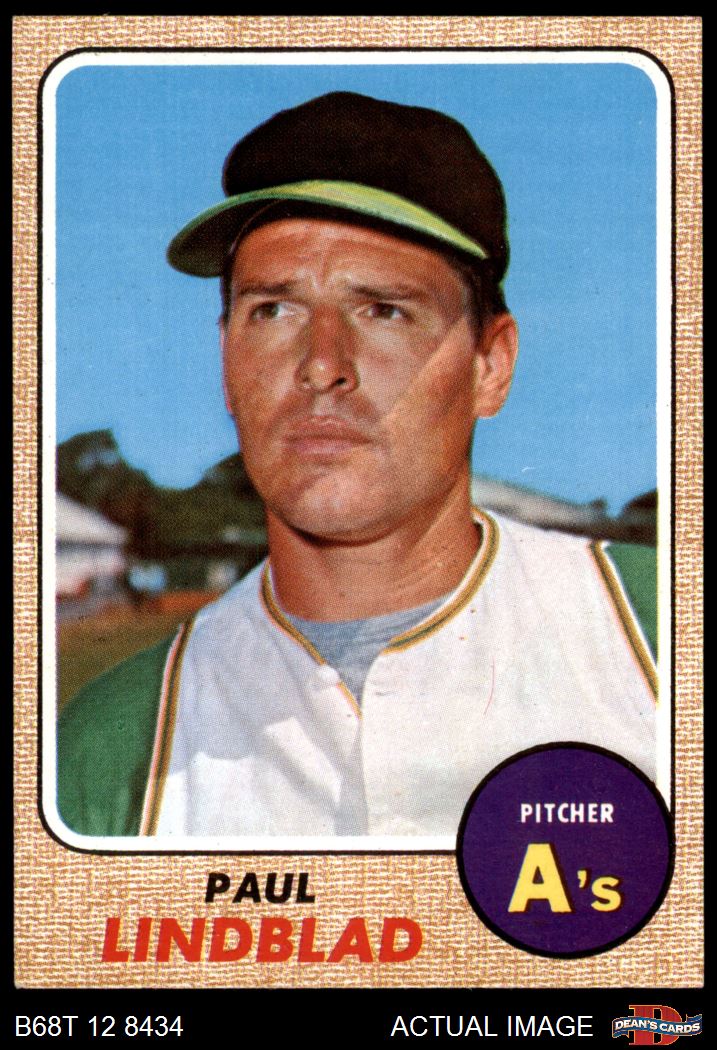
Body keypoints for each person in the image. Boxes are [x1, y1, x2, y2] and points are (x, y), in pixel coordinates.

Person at [57, 91, 657, 839]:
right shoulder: (111, 747)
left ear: (489, 365)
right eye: (273, 311)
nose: (321, 366)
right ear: (226, 360)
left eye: (384, 311)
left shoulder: (657, 631)